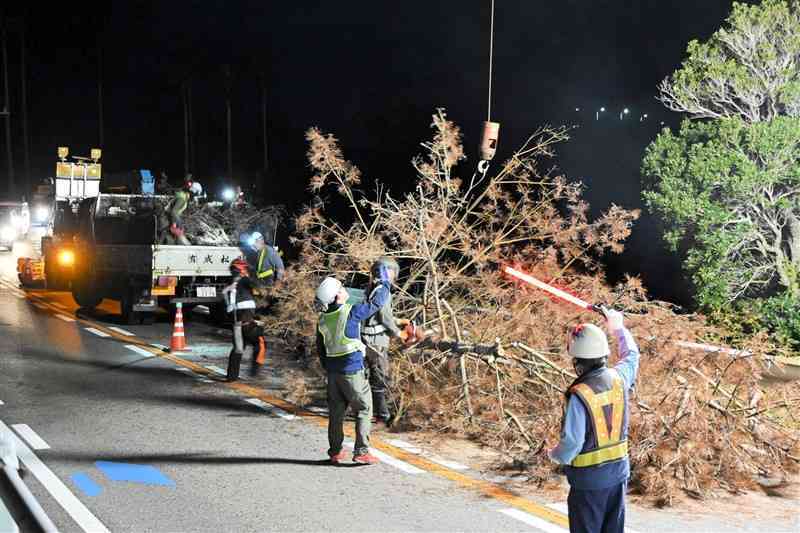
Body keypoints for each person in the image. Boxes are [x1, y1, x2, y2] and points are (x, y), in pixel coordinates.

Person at [547, 307, 640, 533]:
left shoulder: (580, 395)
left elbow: (572, 445)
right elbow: (632, 355)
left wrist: (553, 455)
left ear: (578, 361)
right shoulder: (619, 378)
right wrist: (618, 328)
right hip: (618, 477)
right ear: (604, 355)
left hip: (588, 484)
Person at [316, 267, 391, 465]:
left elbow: (321, 350)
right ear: (337, 295)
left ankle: (335, 452)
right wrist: (385, 284)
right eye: (341, 287)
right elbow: (375, 303)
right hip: (352, 372)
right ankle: (361, 451)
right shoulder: (350, 312)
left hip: (333, 374)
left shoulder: (323, 320)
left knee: (336, 414)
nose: (344, 288)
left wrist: (331, 368)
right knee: (364, 409)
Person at [361, 257, 409, 425]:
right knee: (381, 378)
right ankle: (382, 415)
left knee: (368, 377)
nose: (394, 274)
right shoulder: (384, 291)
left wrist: (398, 320)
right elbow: (383, 317)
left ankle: (368, 410)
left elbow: (376, 313)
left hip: (366, 339)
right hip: (376, 342)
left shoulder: (371, 288)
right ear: (386, 271)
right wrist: (398, 333)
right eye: (393, 271)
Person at [222, 258, 267, 379]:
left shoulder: (229, 285)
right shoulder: (245, 280)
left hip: (237, 322)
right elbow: (260, 288)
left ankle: (231, 376)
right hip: (247, 321)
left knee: (238, 349)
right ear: (242, 270)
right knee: (260, 343)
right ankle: (255, 372)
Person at [168, 179, 203, 245]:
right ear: (193, 191)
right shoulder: (182, 198)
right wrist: (177, 224)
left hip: (174, 221)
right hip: (172, 222)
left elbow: (176, 213)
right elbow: (174, 212)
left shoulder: (184, 197)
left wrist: (175, 224)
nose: (195, 197)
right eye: (195, 194)